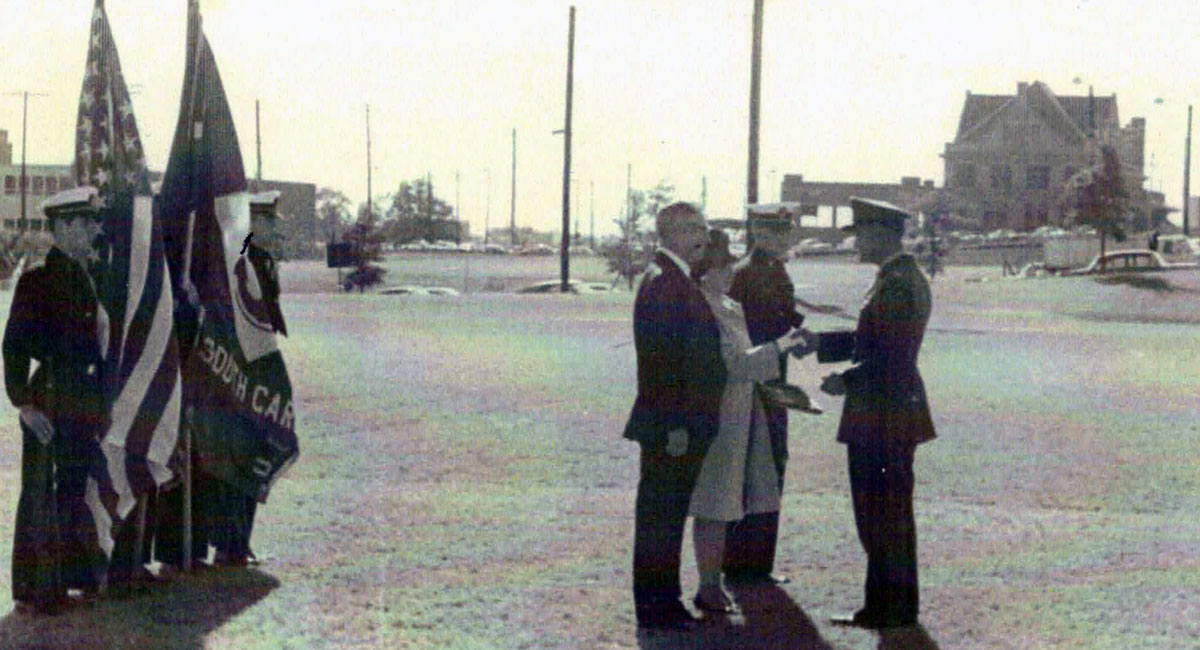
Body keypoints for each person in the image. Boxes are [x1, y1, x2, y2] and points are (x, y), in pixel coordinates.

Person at [806, 197, 937, 629]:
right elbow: (872, 338)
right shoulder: (897, 277)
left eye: (861, 233)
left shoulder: (897, 282)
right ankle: (887, 607)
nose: (857, 242)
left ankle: (890, 609)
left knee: (882, 514)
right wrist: (820, 344)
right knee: (885, 514)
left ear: (882, 234)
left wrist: (846, 379)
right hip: (888, 411)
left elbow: (892, 355)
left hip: (884, 413)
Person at [687, 228, 808, 613]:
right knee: (715, 503)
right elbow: (736, 365)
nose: (730, 275)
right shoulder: (703, 307)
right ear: (706, 273)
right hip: (721, 415)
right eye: (724, 269)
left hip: (744, 411)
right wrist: (782, 346)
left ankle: (715, 583)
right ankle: (709, 584)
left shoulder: (729, 306)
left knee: (732, 499)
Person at [3, 188, 109, 613]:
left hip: (80, 402)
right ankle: (38, 588)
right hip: (49, 401)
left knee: (71, 489)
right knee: (42, 494)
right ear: (64, 228)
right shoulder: (37, 280)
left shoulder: (85, 278)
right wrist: (24, 405)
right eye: (84, 224)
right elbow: (13, 348)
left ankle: (67, 579)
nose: (92, 232)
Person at [623, 201, 724, 630]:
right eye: (694, 228)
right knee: (660, 518)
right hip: (673, 427)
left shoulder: (674, 277)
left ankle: (663, 601)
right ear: (673, 232)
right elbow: (661, 363)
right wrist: (678, 425)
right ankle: (657, 607)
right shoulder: (666, 281)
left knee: (663, 516)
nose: (703, 235)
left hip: (678, 423)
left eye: (703, 226)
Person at [723, 207, 806, 585]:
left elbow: (785, 317)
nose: (784, 238)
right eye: (775, 231)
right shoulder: (745, 274)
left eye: (785, 231)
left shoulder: (773, 270)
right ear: (758, 232)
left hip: (773, 380)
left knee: (772, 464)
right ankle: (742, 564)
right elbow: (744, 335)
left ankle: (758, 563)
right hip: (753, 383)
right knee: (751, 468)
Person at [211, 190, 287, 567]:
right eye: (268, 220)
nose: (275, 227)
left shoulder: (265, 260)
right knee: (238, 457)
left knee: (256, 450)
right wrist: (242, 228)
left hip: (261, 370)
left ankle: (240, 540)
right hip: (240, 373)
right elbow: (234, 252)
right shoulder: (240, 254)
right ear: (253, 222)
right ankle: (230, 542)